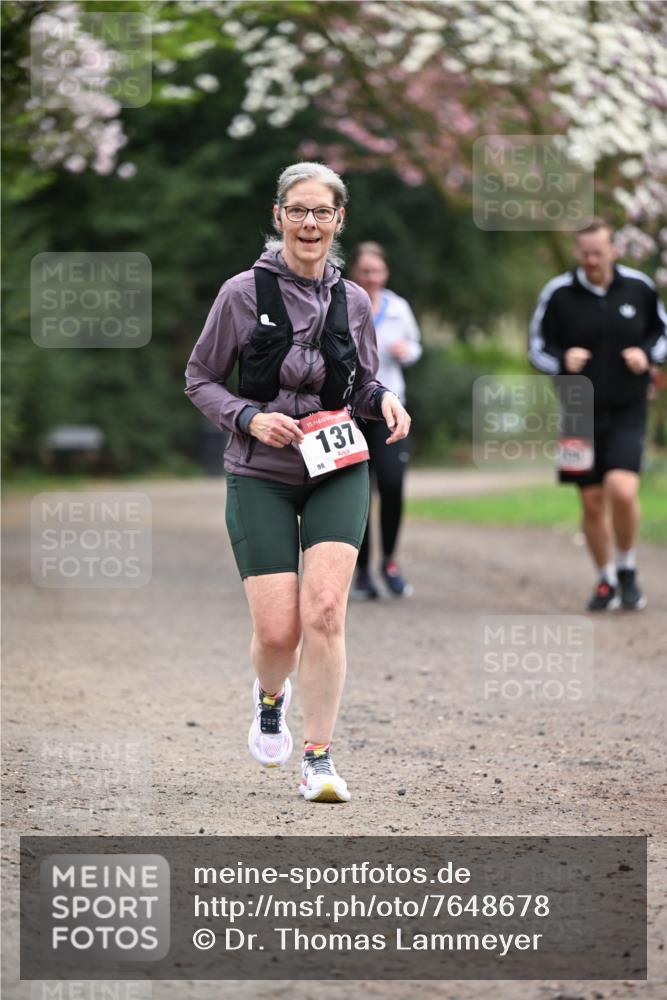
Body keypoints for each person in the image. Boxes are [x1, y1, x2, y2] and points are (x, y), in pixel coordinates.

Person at [185, 163, 410, 802]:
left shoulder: (355, 300)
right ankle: (269, 695)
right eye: (298, 211)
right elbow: (200, 378)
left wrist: (384, 400)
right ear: (279, 216)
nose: (310, 223)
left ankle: (319, 759)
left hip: (338, 467)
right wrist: (250, 418)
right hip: (261, 473)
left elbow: (362, 383)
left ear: (339, 220)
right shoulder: (241, 294)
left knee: (326, 611)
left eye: (322, 212)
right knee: (278, 633)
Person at [528, 218, 667, 611]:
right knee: (591, 502)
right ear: (578, 252)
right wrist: (562, 359)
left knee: (622, 490)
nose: (591, 260)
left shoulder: (639, 287)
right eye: (585, 253)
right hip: (577, 411)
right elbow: (536, 348)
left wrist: (647, 355)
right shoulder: (558, 293)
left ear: (613, 251)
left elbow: (662, 333)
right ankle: (605, 579)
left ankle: (627, 568)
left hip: (627, 409)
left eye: (598, 253)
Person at [348, 242, 422, 599]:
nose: (371, 278)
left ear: (386, 273)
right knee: (357, 491)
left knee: (392, 483)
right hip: (350, 412)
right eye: (365, 271)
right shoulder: (343, 303)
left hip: (390, 410)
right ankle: (361, 570)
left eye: (377, 271)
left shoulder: (398, 308)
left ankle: (389, 561)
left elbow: (416, 345)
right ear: (354, 273)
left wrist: (407, 352)